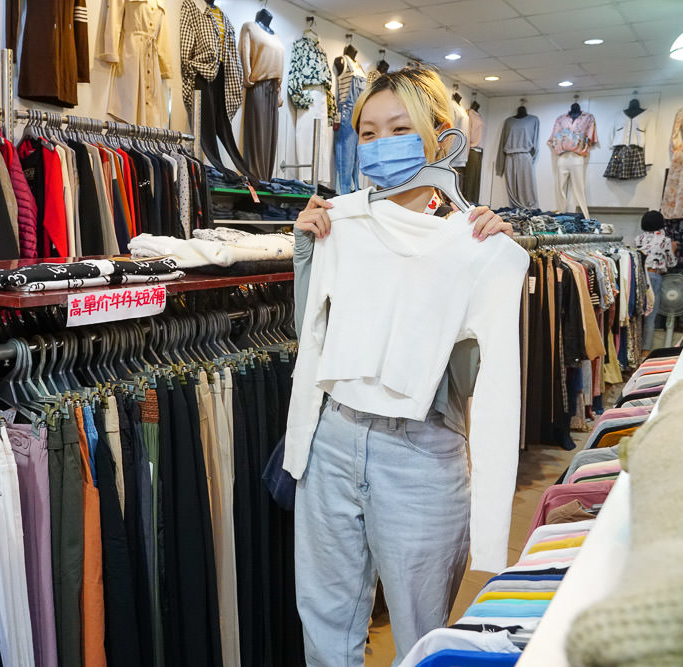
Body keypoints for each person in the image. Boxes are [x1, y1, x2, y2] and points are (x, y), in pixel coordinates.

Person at [289, 67, 520, 667]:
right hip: (332, 440)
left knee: (422, 640)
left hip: (421, 453)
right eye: (367, 132)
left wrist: (492, 532)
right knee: (324, 626)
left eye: (399, 128)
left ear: (440, 137)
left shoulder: (477, 244)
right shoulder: (339, 225)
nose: (380, 143)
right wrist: (306, 253)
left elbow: (494, 392)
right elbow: (310, 340)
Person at [635, 210, 678, 358]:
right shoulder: (665, 241)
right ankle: (645, 351)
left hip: (638, 275)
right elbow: (672, 262)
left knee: (636, 313)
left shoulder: (638, 239)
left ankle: (632, 350)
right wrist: (673, 249)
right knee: (650, 315)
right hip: (653, 276)